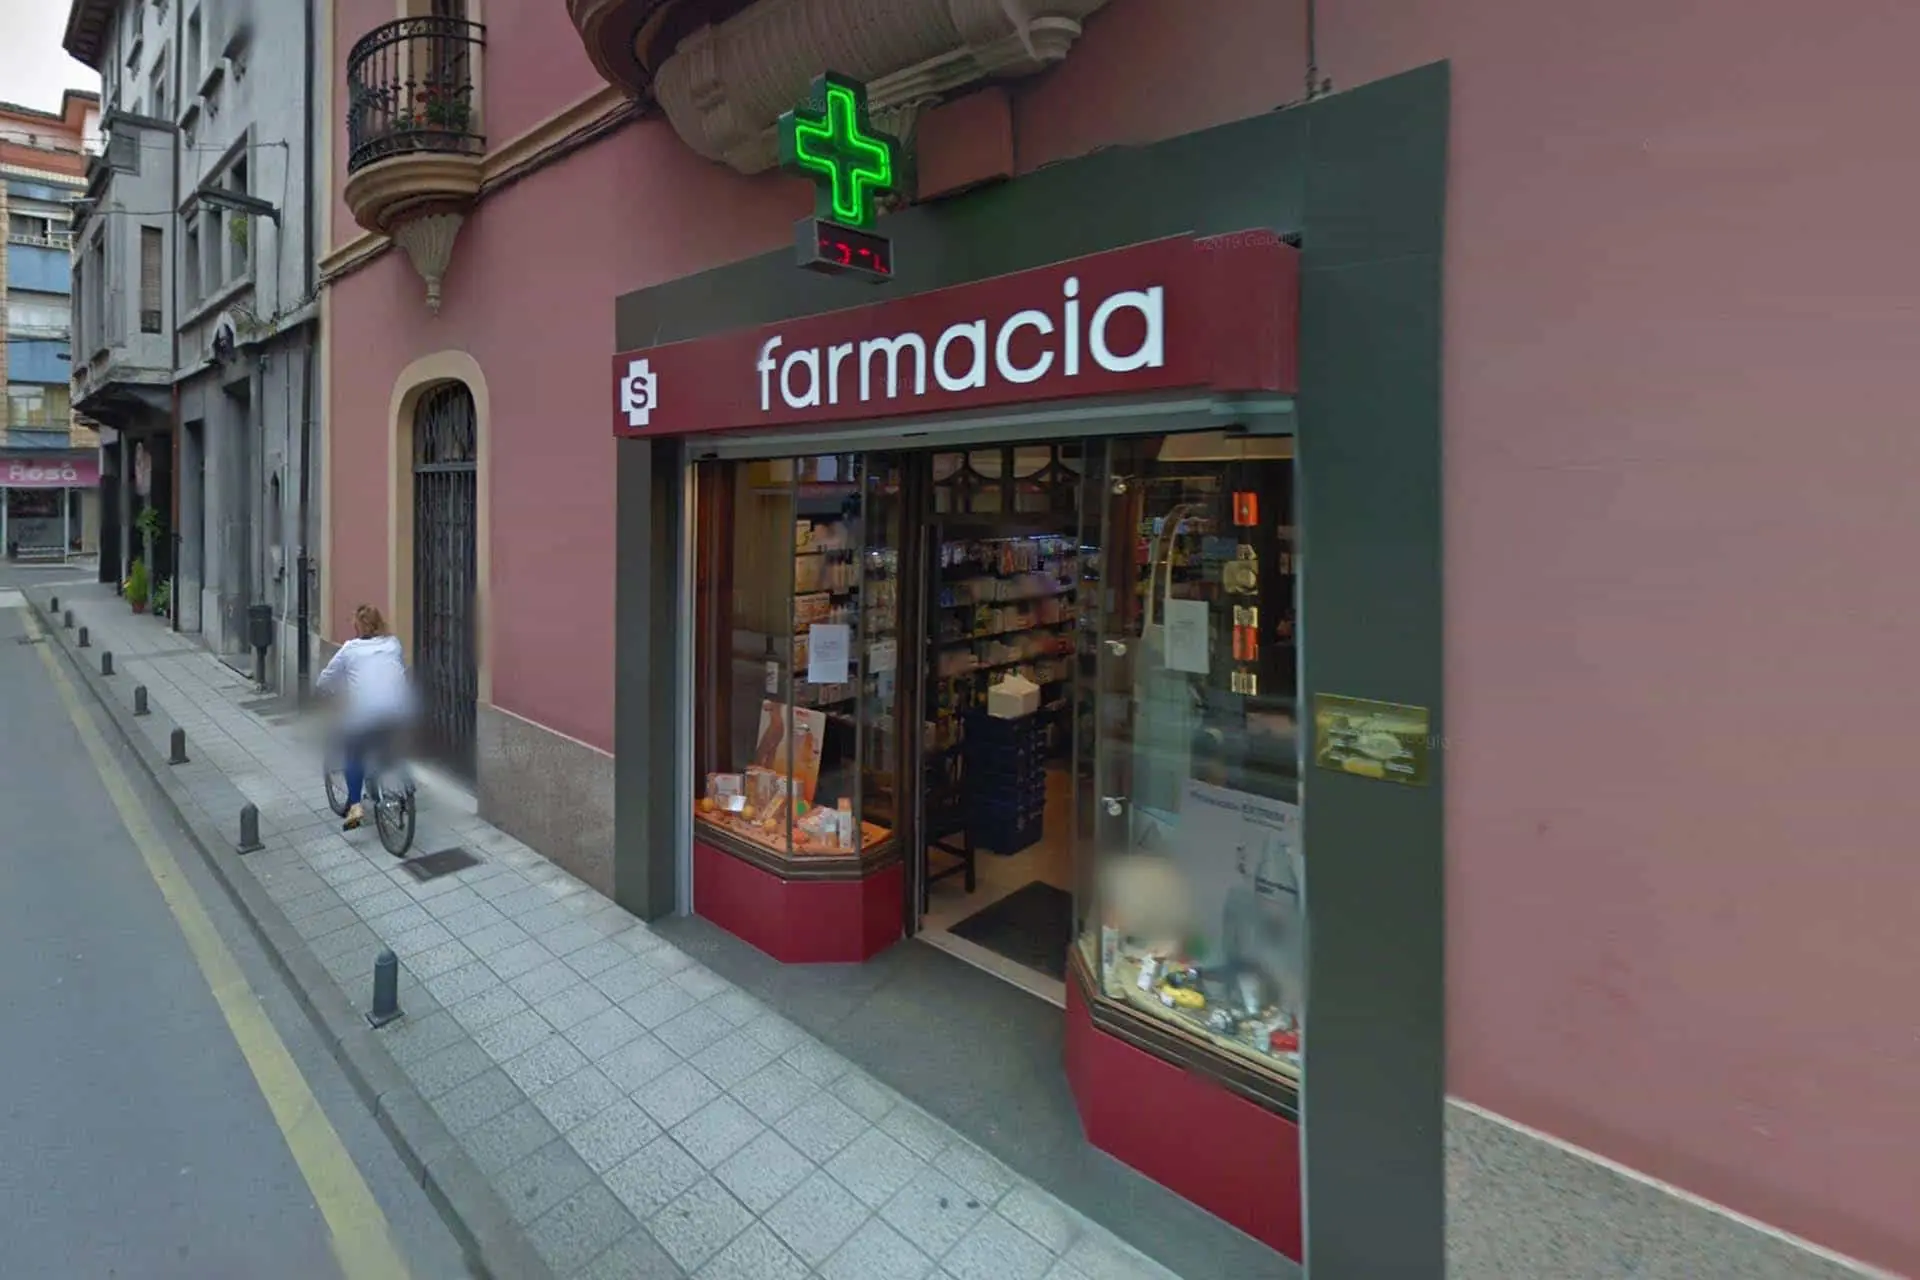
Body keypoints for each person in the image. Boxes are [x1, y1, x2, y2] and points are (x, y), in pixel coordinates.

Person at [315, 604, 415, 831]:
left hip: (367, 714)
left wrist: (323, 691)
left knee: (353, 751)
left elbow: (325, 678)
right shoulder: (393, 644)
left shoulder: (350, 649)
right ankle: (402, 777)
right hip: (397, 711)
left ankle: (355, 805)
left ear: (357, 626)